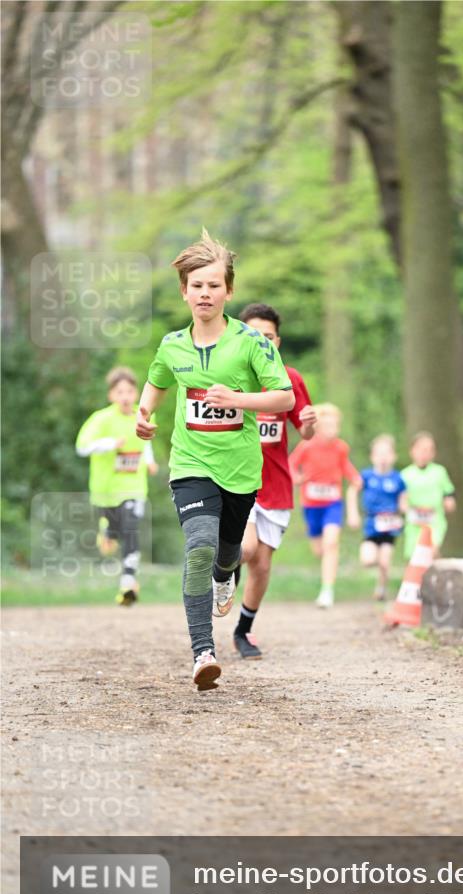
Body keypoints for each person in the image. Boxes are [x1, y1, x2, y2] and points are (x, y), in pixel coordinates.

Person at [135, 230, 295, 688]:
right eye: (197, 285)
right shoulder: (172, 345)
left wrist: (239, 400)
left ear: (228, 291)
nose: (205, 293)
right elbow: (157, 382)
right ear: (184, 291)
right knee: (199, 545)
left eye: (214, 285)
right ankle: (202, 651)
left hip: (241, 470)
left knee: (228, 552)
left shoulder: (251, 343)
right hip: (190, 463)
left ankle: (228, 574)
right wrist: (144, 415)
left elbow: (283, 398)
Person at [232, 303, 316, 658]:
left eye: (267, 337)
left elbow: (306, 432)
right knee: (246, 549)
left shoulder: (290, 378)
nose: (261, 342)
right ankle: (222, 571)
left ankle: (242, 631)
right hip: (238, 478)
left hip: (276, 484)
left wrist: (310, 421)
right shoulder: (233, 374)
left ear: (277, 342)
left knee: (262, 565)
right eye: (253, 336)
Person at [76, 366, 158, 606]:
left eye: (130, 391)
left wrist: (150, 462)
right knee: (114, 533)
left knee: (131, 527)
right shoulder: (100, 419)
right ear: (111, 395)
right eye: (119, 391)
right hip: (105, 491)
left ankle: (127, 582)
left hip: (134, 486)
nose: (125, 396)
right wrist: (110, 444)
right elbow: (82, 447)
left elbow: (146, 443)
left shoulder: (142, 416)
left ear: (136, 394)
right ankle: (107, 530)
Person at [289, 403, 361, 609]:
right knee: (320, 550)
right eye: (328, 425)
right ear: (318, 427)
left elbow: (345, 466)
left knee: (331, 544)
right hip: (311, 504)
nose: (333, 429)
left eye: (335, 424)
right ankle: (327, 572)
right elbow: (291, 465)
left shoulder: (341, 447)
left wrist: (355, 478)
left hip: (333, 502)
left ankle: (327, 590)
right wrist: (298, 478)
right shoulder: (307, 446)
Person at [359, 434, 406, 601]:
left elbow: (403, 500)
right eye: (379, 454)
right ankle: (375, 563)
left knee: (385, 562)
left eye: (387, 454)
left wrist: (404, 512)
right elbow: (353, 490)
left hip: (390, 526)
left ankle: (381, 588)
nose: (383, 458)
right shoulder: (366, 476)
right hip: (371, 524)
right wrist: (352, 513)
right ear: (372, 457)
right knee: (367, 560)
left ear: (394, 456)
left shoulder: (398, 479)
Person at [401, 431, 456, 559]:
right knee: (416, 556)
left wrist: (449, 501)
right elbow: (401, 497)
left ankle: (437, 574)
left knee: (431, 551)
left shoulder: (439, 472)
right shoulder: (405, 475)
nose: (424, 453)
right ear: (412, 451)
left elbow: (449, 491)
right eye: (421, 449)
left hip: (434, 521)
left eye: (429, 450)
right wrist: (403, 506)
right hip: (414, 523)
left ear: (433, 453)